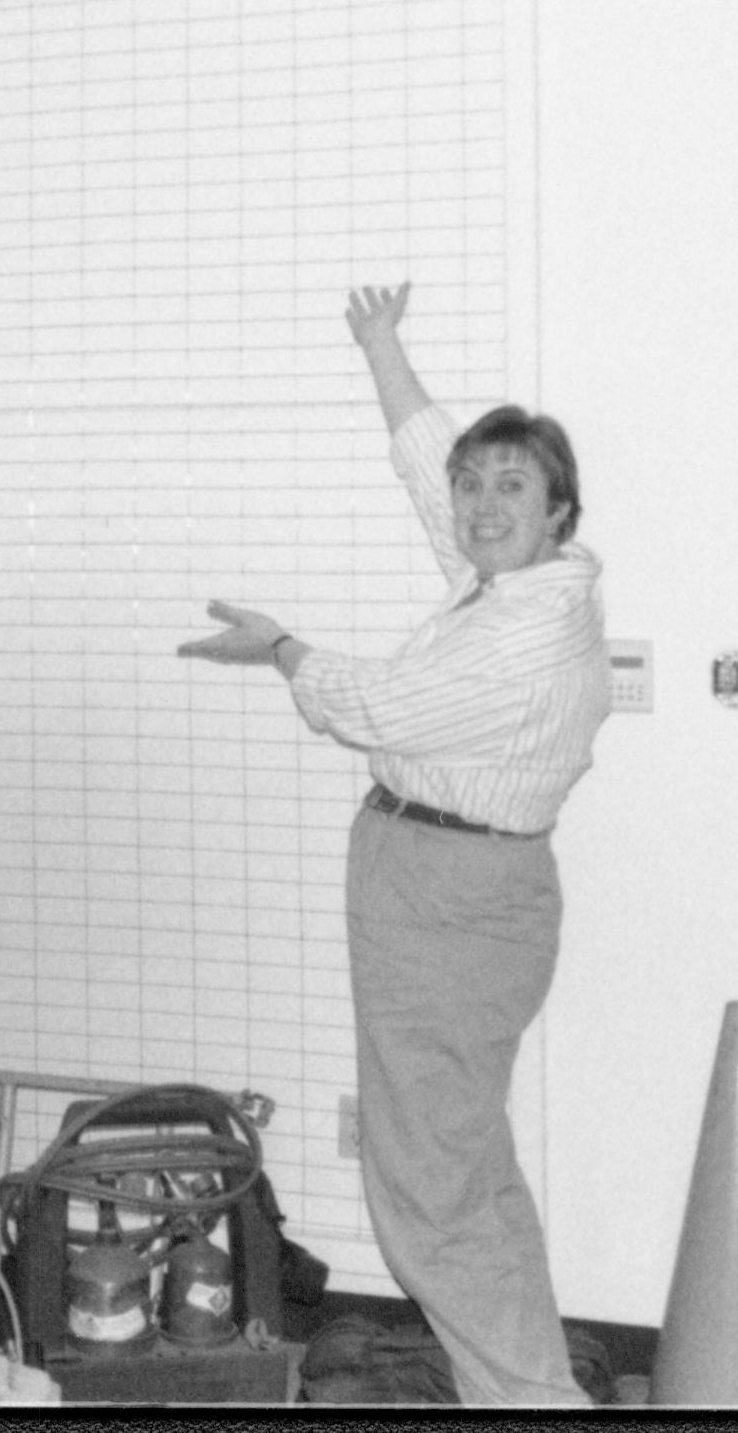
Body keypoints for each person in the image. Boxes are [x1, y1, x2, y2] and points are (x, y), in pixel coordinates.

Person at [178, 281, 611, 1408]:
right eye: (477, 483)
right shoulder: (515, 579)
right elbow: (432, 469)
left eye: (510, 485)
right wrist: (383, 348)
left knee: (431, 1187)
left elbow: (375, 706)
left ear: (562, 512)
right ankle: (520, 1381)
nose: (476, 501)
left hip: (452, 896)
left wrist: (280, 647)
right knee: (455, 1169)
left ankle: (531, 1398)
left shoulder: (526, 625)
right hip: (437, 880)